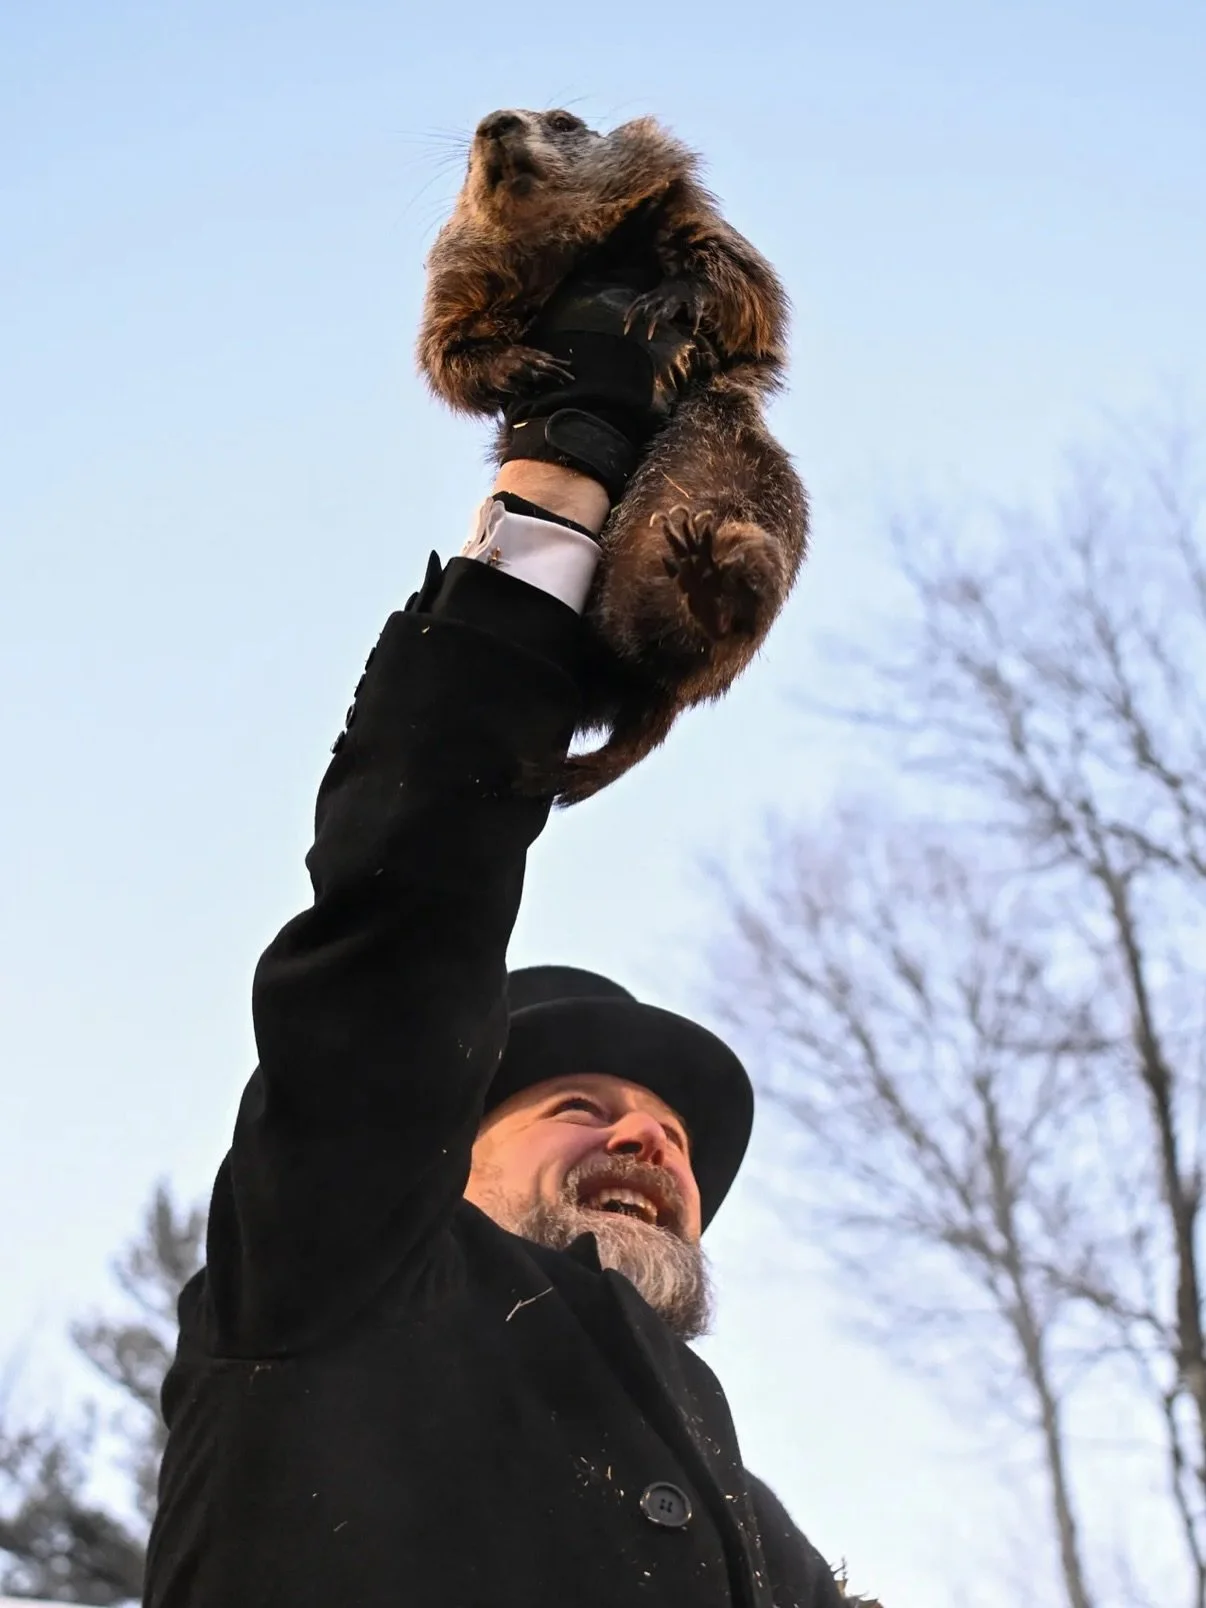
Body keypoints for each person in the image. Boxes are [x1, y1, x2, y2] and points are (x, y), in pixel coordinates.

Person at [143, 283, 845, 1608]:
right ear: (439, 1150)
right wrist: (557, 494)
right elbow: (406, 919)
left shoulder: (750, 1532)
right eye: (583, 1103)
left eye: (674, 1141)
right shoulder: (340, 1276)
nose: (649, 1144)